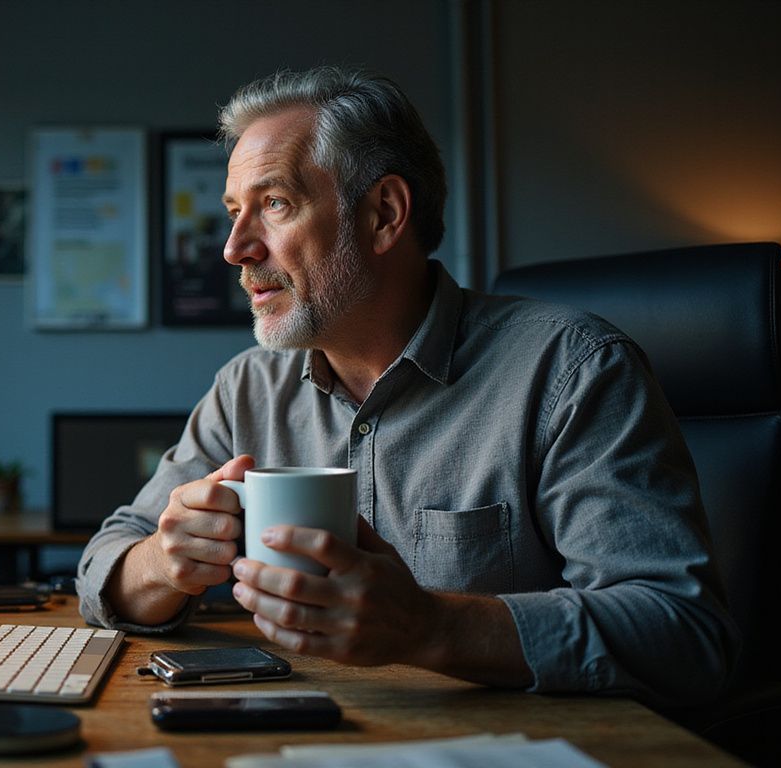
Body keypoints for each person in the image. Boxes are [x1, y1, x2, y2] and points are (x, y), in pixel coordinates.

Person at [75, 66, 737, 703]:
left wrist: (430, 626)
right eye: (232, 211)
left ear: (385, 214)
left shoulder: (574, 371)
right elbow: (104, 561)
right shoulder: (247, 388)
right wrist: (166, 562)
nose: (235, 248)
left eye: (274, 204)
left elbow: (682, 634)